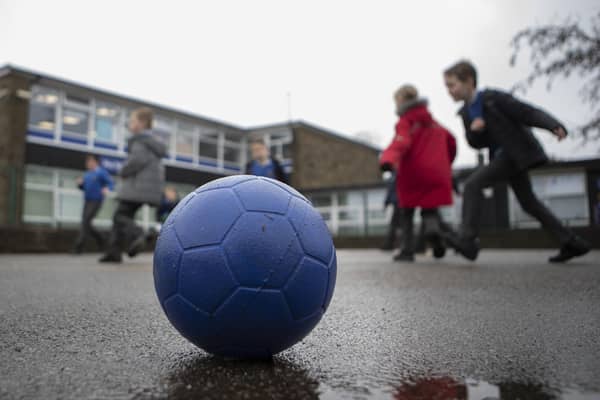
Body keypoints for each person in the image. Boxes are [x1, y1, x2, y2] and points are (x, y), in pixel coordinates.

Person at [443, 60, 590, 262]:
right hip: (503, 158)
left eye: (452, 85)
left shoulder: (493, 98)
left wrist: (551, 124)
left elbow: (525, 112)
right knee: (529, 203)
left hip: (515, 153)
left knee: (472, 185)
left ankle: (468, 240)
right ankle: (572, 242)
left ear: (469, 81)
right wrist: (475, 131)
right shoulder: (466, 112)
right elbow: (475, 143)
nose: (449, 91)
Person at [380, 85, 457, 262]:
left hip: (413, 174)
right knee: (429, 209)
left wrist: (387, 160)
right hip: (436, 174)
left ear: (401, 101)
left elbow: (401, 142)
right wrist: (445, 163)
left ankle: (407, 251)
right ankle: (433, 232)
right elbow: (451, 142)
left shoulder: (406, 122)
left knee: (406, 212)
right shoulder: (434, 123)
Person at [99, 107, 167, 263]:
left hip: (137, 187)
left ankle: (138, 233)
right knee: (122, 217)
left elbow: (137, 161)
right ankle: (114, 252)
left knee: (120, 216)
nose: (130, 124)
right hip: (147, 188)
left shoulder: (140, 141)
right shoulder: (153, 142)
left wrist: (123, 170)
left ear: (141, 123)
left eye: (133, 121)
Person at [72, 154, 113, 254]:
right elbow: (83, 188)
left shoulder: (101, 172)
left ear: (95, 162)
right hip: (87, 200)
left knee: (86, 221)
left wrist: (107, 188)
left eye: (89, 161)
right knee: (86, 223)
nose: (87, 164)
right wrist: (80, 184)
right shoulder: (87, 174)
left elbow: (110, 183)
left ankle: (78, 247)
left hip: (97, 200)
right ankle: (102, 239)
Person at [381, 172, 402, 251]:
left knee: (394, 225)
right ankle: (390, 244)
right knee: (402, 225)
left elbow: (390, 192)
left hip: (398, 203)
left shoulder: (393, 178)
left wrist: (386, 203)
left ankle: (389, 244)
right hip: (403, 203)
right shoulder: (397, 176)